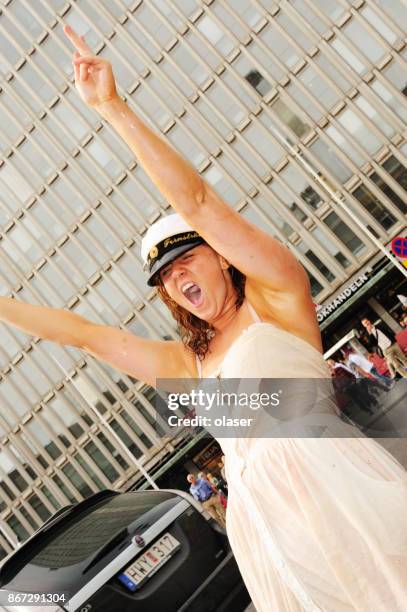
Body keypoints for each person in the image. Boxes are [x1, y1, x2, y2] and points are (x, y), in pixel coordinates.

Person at [0, 25, 405, 611]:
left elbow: (197, 203)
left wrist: (112, 108)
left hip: (339, 488)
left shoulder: (275, 296)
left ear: (220, 256)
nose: (176, 277)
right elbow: (86, 335)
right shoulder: (188, 364)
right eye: (165, 275)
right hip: (267, 528)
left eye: (186, 258)